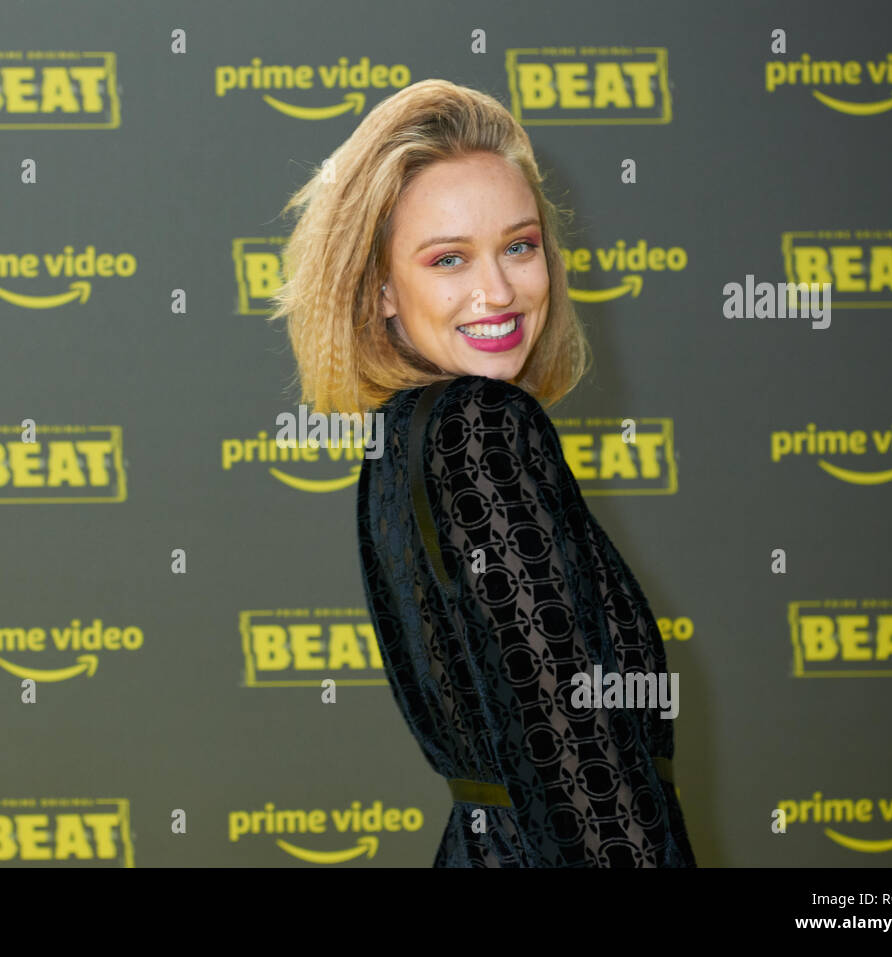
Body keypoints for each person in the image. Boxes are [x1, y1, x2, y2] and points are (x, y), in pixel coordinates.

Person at [270, 79, 695, 867]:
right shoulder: (480, 427)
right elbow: (584, 771)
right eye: (448, 258)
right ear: (382, 293)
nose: (497, 290)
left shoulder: (405, 436)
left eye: (520, 245)